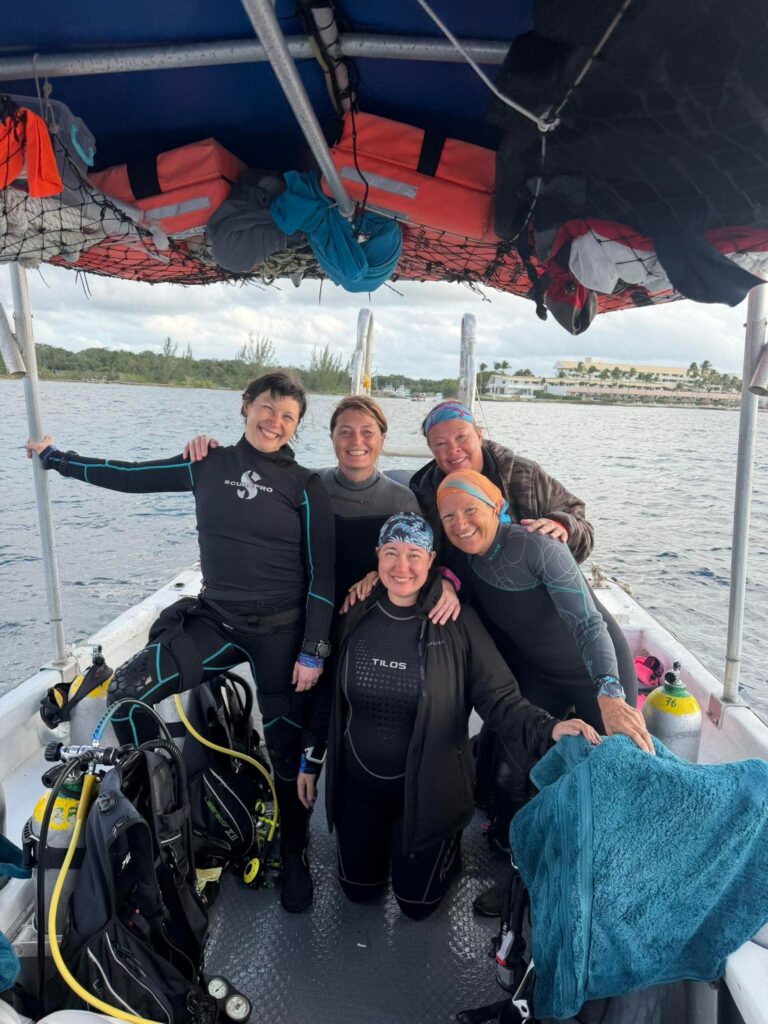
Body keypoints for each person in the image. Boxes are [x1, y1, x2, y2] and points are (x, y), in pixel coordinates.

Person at [26, 371, 334, 914]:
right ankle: (171, 812)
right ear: (245, 406)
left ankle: (294, 850)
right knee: (126, 692)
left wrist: (313, 651)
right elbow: (127, 476)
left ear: (296, 427)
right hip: (215, 622)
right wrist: (58, 458)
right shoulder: (206, 464)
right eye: (267, 408)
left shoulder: (305, 486)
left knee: (285, 749)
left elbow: (323, 578)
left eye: (288, 417)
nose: (275, 422)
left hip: (282, 633)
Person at [298, 512, 601, 920]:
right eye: (391, 553)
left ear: (432, 560)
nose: (401, 566)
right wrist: (310, 761)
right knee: (356, 891)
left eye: (413, 554)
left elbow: (501, 699)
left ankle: (446, 844)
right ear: (377, 556)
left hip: (429, 794)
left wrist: (549, 730)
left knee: (417, 906)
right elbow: (326, 700)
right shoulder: (354, 612)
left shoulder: (456, 621)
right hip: (358, 786)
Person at [183, 394, 461, 622]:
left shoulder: (401, 501)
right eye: (345, 432)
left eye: (367, 432)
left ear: (382, 439)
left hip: (366, 614)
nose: (356, 442)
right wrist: (209, 453)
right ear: (332, 438)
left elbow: (419, 563)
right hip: (301, 614)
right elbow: (246, 474)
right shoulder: (304, 484)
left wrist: (383, 576)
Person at [435, 470, 654, 753]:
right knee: (500, 764)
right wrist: (445, 582)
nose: (460, 524)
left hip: (595, 674)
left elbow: (588, 624)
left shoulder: (537, 545)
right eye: (448, 517)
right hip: (540, 676)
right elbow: (428, 571)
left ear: (495, 507)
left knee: (609, 764)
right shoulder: (464, 556)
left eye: (469, 509)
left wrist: (610, 694)